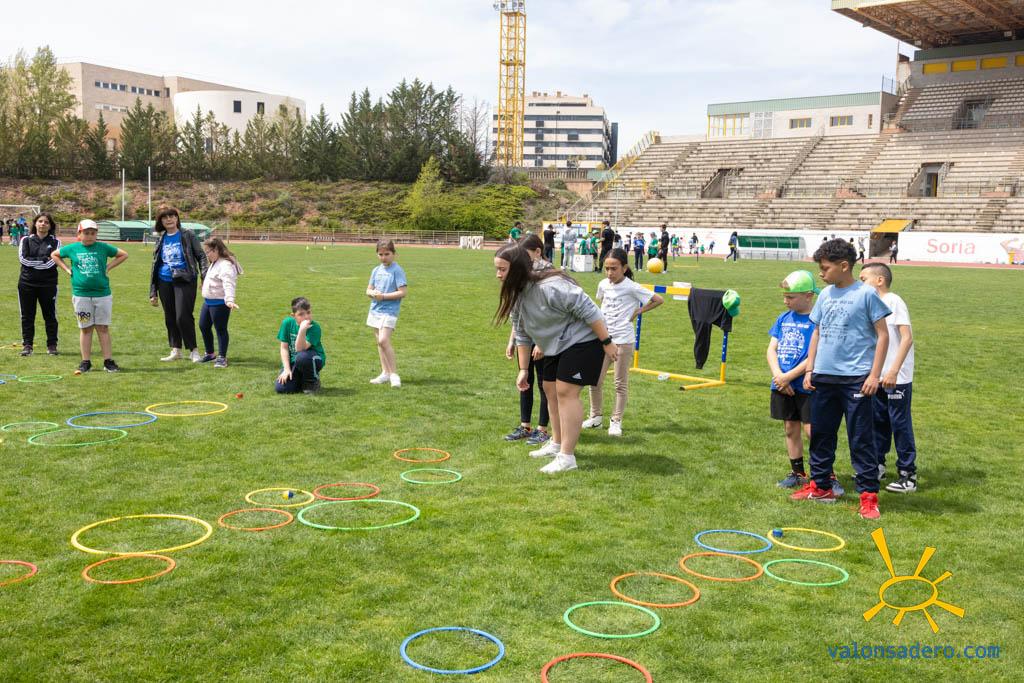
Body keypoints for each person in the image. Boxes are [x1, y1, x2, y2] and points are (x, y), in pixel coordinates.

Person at [494, 243, 616, 473]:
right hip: (556, 344)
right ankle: (557, 443)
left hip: (584, 339)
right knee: (549, 388)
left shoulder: (550, 287)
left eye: (502, 269)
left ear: (517, 269)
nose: (498, 275)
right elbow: (521, 332)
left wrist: (607, 342)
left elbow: (590, 310)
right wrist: (524, 369)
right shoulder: (517, 294)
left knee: (566, 392)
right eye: (497, 269)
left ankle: (567, 457)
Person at [792, 239, 890, 520]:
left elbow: (883, 335)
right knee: (821, 434)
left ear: (844, 266)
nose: (821, 273)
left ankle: (868, 497)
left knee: (861, 438)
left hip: (857, 378)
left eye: (825, 268)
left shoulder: (867, 294)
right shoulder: (825, 295)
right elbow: (817, 332)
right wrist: (810, 369)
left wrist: (874, 375)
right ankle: (821, 487)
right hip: (824, 376)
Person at [766, 270, 845, 496]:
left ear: (809, 296)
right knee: (790, 428)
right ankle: (798, 473)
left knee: (814, 431)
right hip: (782, 384)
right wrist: (779, 376)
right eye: (785, 296)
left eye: (791, 297)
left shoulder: (816, 321)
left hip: (807, 385)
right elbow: (771, 349)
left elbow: (815, 355)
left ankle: (827, 475)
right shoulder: (783, 318)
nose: (786, 301)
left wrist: (788, 377)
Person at [582, 248, 663, 436]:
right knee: (595, 380)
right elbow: (601, 305)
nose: (609, 273)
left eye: (614, 268)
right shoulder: (603, 284)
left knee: (620, 383)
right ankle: (595, 417)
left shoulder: (632, 287)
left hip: (623, 341)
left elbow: (658, 299)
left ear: (624, 268)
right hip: (603, 340)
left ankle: (616, 420)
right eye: (607, 268)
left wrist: (638, 311)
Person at [860, 263, 918, 494]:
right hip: (877, 376)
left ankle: (908, 475)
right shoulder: (870, 303)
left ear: (879, 280)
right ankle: (878, 466)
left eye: (863, 279)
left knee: (899, 424)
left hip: (896, 377)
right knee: (878, 421)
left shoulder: (893, 301)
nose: (860, 283)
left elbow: (906, 338)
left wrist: (893, 370)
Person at [51, 219, 127, 373]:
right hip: (81, 295)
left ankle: (108, 361)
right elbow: (54, 255)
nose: (90, 236)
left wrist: (108, 267)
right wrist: (67, 269)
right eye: (86, 233)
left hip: (102, 294)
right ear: (79, 234)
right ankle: (85, 361)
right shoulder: (72, 248)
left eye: (93, 233)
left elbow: (123, 254)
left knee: (103, 328)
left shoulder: (103, 247)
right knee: (85, 328)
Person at [504, 233, 551, 446]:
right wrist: (512, 339)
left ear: (538, 252)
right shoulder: (522, 275)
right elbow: (518, 312)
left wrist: (542, 342)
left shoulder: (549, 275)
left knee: (544, 383)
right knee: (525, 381)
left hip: (545, 339)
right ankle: (525, 426)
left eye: (525, 254)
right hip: (525, 338)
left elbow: (550, 314)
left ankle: (542, 429)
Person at [149, 206, 208, 363]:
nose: (169, 219)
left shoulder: (187, 235)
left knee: (183, 316)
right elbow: (155, 264)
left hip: (185, 279)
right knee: (170, 317)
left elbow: (201, 256)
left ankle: (194, 351)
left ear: (177, 218)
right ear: (160, 221)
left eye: (172, 216)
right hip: (164, 280)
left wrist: (204, 276)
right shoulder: (161, 238)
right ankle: (176, 350)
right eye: (165, 217)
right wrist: (153, 291)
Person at [18, 213, 61, 356]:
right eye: (40, 221)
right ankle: (27, 345)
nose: (43, 224)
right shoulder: (25, 240)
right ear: (35, 223)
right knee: (27, 315)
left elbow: (52, 262)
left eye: (46, 222)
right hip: (26, 283)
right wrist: (43, 260)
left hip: (48, 284)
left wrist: (38, 261)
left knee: (50, 315)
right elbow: (24, 260)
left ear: (50, 225)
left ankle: (52, 345)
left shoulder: (56, 242)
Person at [367, 239, 408, 388]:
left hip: (389, 311)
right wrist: (372, 293)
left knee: (384, 340)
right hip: (375, 310)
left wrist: (383, 296)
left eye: (387, 254)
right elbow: (368, 289)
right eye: (380, 254)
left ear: (394, 254)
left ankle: (394, 374)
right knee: (379, 343)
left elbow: (403, 292)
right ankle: (384, 373)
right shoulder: (376, 270)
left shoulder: (397, 270)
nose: (383, 257)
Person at [198, 237, 242, 368]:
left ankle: (222, 357)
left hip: (220, 303)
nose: (207, 255)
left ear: (216, 249)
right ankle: (210, 353)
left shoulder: (226, 265)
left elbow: (229, 284)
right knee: (203, 326)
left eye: (208, 252)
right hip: (208, 302)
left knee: (220, 329)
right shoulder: (215, 262)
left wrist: (229, 300)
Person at [275, 296, 325, 394]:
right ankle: (300, 380)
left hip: (312, 359)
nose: (306, 317)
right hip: (295, 361)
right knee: (281, 388)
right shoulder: (287, 323)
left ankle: (312, 381)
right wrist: (286, 369)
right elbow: (284, 348)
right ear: (293, 316)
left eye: (308, 312)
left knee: (302, 357)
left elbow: (300, 349)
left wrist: (302, 330)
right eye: (301, 314)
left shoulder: (315, 328)